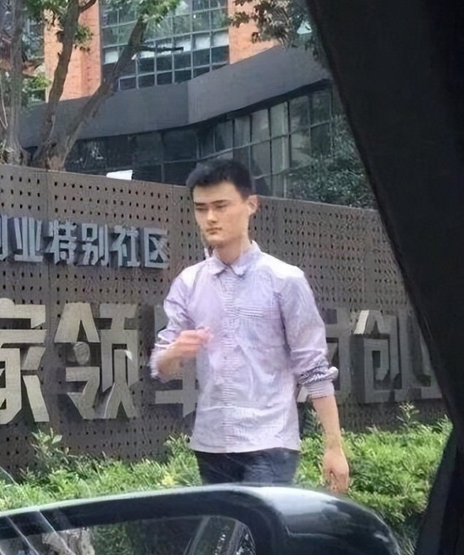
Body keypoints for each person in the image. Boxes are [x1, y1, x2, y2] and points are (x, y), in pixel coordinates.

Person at [150, 159, 350, 493]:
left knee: (258, 524)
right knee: (223, 529)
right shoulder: (189, 282)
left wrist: (334, 446)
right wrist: (175, 352)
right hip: (211, 443)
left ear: (251, 205)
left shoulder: (285, 280)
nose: (210, 218)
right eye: (201, 208)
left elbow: (313, 367)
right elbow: (161, 368)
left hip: (270, 443)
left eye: (221, 206)